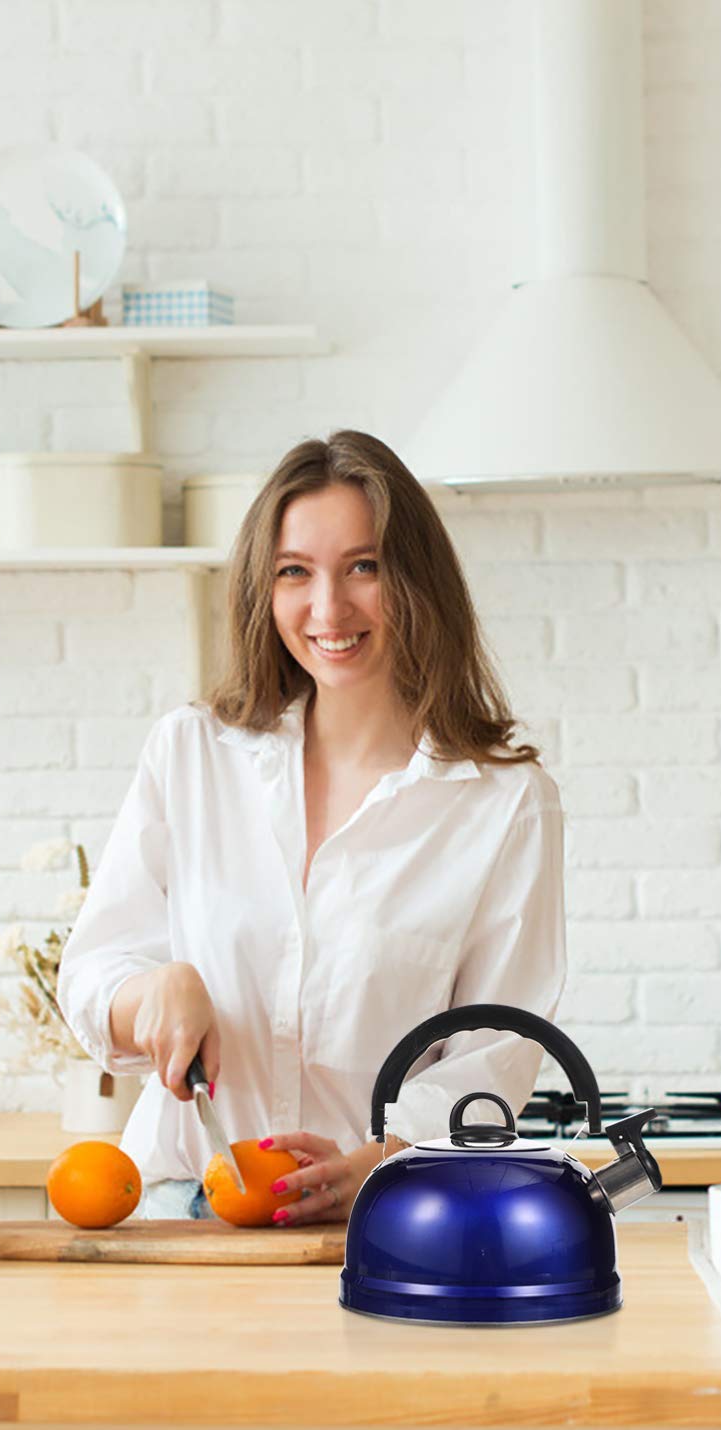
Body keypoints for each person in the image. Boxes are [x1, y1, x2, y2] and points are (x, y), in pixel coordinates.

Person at [57, 430, 565, 1224]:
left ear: (417, 581)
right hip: (175, 1209)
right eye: (295, 572)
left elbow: (494, 1055)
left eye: (364, 567)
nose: (328, 608)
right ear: (265, 588)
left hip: (381, 1221)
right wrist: (153, 989)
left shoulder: (503, 803)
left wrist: (375, 1165)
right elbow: (90, 972)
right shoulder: (192, 752)